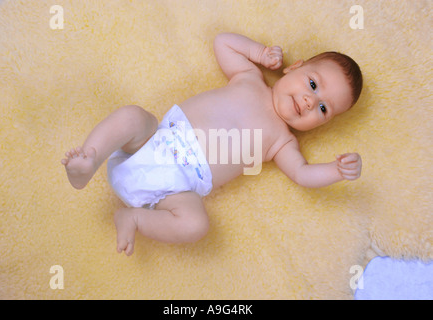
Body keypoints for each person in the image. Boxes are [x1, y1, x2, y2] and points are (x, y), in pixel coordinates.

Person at [61, 33, 363, 256]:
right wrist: (260, 53)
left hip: (174, 190)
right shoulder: (250, 78)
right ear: (293, 67)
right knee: (133, 116)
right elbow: (223, 42)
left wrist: (337, 171)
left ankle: (134, 218)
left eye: (323, 109)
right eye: (312, 84)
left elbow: (302, 174)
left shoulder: (282, 143)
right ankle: (90, 158)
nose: (311, 101)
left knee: (196, 225)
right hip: (153, 141)